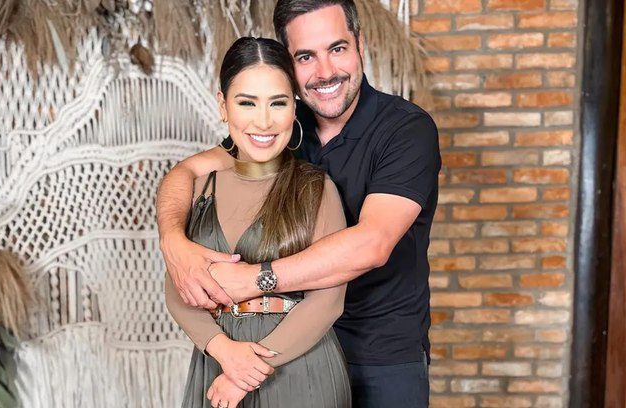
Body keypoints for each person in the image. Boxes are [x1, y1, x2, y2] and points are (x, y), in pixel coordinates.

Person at [158, 1, 441, 406]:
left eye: (337, 49)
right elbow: (186, 172)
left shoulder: (405, 129)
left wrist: (252, 280)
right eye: (306, 56)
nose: (325, 71)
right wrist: (172, 240)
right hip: (288, 352)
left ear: (360, 44)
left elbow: (372, 244)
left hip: (381, 357)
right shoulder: (280, 126)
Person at [164, 37, 351, 408]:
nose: (263, 121)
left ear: (294, 108)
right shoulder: (199, 188)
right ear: (223, 106)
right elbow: (177, 288)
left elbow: (329, 301)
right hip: (217, 364)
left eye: (277, 103)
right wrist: (224, 352)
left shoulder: (317, 188)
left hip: (300, 370)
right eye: (247, 102)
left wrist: (249, 370)